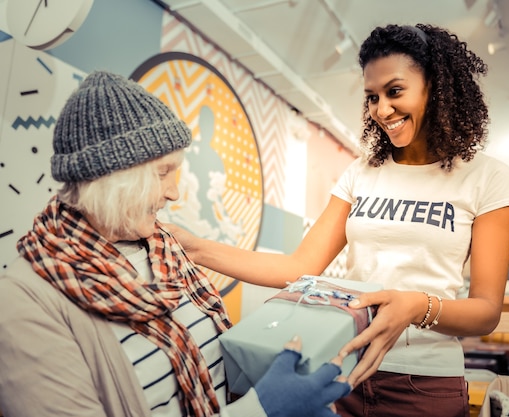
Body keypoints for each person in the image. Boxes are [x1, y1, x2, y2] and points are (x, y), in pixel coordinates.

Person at [167, 22, 509, 417]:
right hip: (345, 372)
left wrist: (414, 306)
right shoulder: (361, 173)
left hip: (423, 384)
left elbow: (486, 311)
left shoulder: (486, 177)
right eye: (372, 97)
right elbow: (298, 267)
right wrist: (192, 246)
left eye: (395, 91)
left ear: (435, 87)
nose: (382, 110)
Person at [0, 71, 351, 417]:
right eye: (162, 173)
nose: (174, 192)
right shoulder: (22, 303)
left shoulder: (163, 247)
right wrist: (260, 409)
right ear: (110, 177)